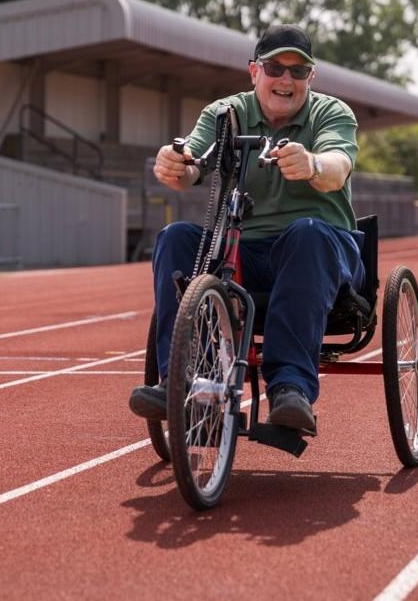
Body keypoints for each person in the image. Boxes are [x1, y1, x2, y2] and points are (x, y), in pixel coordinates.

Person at [128, 24, 364, 433]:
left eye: (298, 70)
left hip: (321, 250)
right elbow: (193, 162)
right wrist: (174, 164)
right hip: (242, 253)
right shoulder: (226, 114)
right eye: (274, 68)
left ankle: (290, 388)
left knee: (307, 232)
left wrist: (312, 164)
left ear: (311, 76)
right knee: (175, 237)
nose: (286, 79)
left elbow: (337, 166)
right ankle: (180, 381)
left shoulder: (331, 112)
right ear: (255, 71)